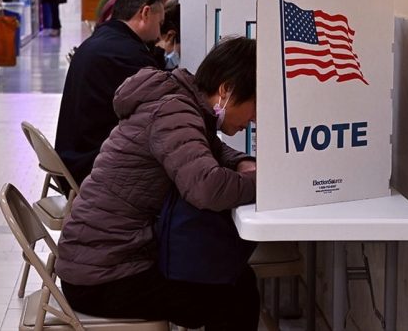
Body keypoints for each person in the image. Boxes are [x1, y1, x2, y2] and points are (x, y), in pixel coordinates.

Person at [56, 37, 259, 330]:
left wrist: (241, 162)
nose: (254, 117)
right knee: (234, 294)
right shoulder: (173, 111)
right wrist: (263, 182)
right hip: (104, 276)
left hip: (96, 259)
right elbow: (206, 187)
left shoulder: (178, 102)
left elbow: (205, 148)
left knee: (236, 281)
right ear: (227, 89)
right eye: (256, 104)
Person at [54, 0, 166, 187]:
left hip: (75, 156)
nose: (159, 35)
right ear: (146, 13)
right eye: (160, 23)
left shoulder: (104, 40)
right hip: (92, 166)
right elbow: (163, 104)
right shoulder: (125, 54)